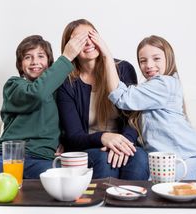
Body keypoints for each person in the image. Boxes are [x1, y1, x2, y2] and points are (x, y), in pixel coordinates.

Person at [0, 33, 88, 180]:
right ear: (21, 64)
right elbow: (37, 93)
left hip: (42, 159)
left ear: (49, 62)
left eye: (41, 56)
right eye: (28, 57)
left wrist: (63, 141)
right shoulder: (14, 85)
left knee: (65, 182)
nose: (35, 62)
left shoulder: (61, 91)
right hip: (7, 158)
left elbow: (70, 121)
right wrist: (66, 57)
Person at [56, 19, 149, 180]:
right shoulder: (66, 82)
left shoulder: (124, 69)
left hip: (123, 142)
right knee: (103, 160)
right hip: (89, 146)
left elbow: (134, 117)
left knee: (139, 159)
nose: (88, 42)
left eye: (91, 36)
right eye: (79, 40)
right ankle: (101, 204)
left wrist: (123, 143)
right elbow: (73, 135)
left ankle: (132, 205)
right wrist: (104, 138)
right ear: (69, 48)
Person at [106, 35, 196, 180]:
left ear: (168, 58)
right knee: (153, 184)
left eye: (156, 58)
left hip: (193, 159)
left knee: (154, 185)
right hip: (172, 161)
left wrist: (106, 57)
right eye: (143, 61)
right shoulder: (148, 92)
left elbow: (122, 97)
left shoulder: (165, 84)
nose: (148, 65)